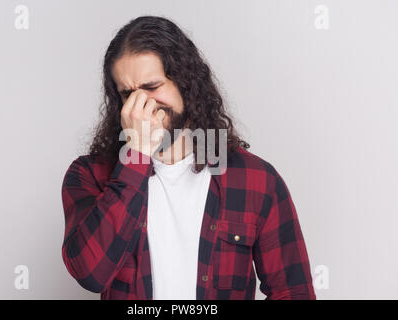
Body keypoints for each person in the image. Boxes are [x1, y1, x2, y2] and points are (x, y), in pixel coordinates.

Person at [61, 15, 316, 300]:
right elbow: (90, 274)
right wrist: (135, 156)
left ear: (185, 83)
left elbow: (294, 292)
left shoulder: (255, 179)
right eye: (127, 94)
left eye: (152, 87)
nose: (139, 106)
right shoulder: (90, 174)